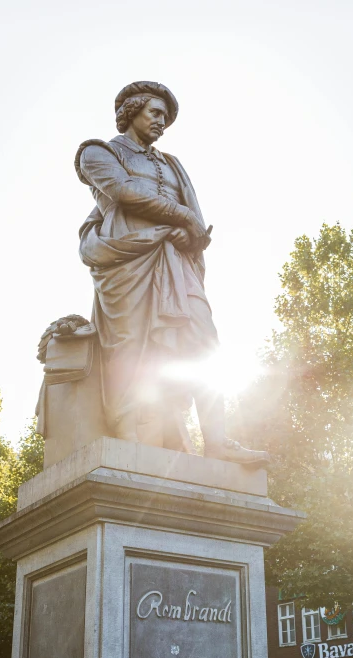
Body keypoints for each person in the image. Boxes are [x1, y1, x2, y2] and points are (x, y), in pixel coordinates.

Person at [75, 81, 267, 466]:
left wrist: (187, 234)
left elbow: (194, 223)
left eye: (166, 117)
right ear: (131, 111)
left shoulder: (172, 164)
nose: (162, 122)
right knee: (130, 345)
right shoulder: (98, 153)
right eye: (155, 113)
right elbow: (123, 191)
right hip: (126, 261)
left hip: (176, 263)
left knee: (205, 340)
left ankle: (216, 440)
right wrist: (181, 217)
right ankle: (126, 433)